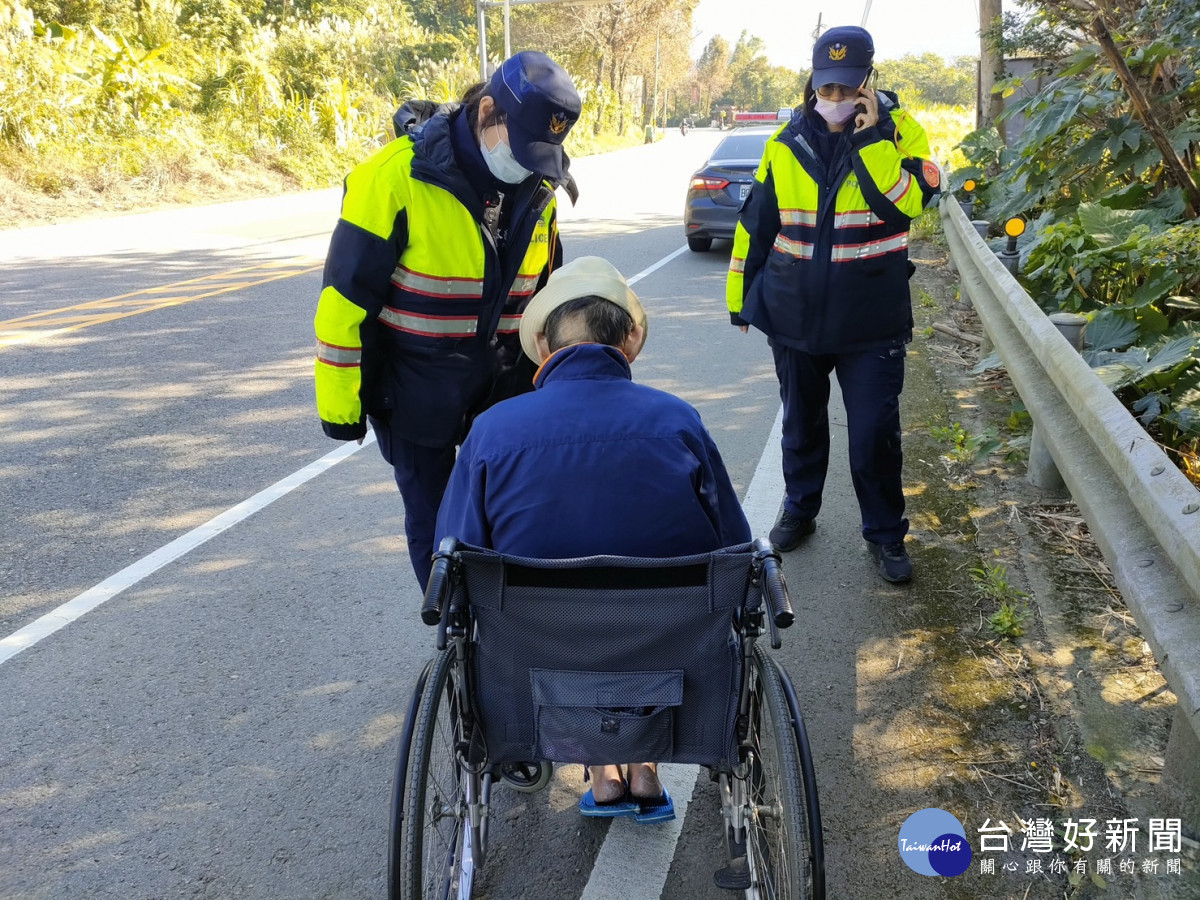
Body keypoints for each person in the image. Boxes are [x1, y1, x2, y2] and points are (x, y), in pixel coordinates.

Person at [435, 256, 752, 823]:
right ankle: (644, 770)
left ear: (544, 345)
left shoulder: (493, 430)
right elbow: (734, 545)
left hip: (535, 647)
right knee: (654, 605)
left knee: (559, 617)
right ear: (629, 341)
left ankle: (604, 773)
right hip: (668, 640)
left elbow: (456, 553)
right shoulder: (678, 421)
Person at [313, 51, 582, 591]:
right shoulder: (393, 179)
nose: (529, 164)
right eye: (524, 147)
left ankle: (500, 629)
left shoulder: (540, 187)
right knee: (436, 528)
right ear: (487, 111)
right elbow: (345, 303)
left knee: (510, 514)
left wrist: (560, 388)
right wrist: (342, 407)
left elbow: (548, 295)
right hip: (415, 393)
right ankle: (456, 634)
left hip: (506, 388)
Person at [725, 25, 941, 584]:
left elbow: (904, 207)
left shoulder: (906, 136)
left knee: (873, 436)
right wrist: (740, 300)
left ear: (869, 82)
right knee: (801, 423)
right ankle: (800, 509)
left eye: (848, 89)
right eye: (828, 89)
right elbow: (758, 224)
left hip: (871, 322)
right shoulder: (785, 140)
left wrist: (873, 141)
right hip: (793, 313)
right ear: (813, 84)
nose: (837, 100)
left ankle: (886, 536)